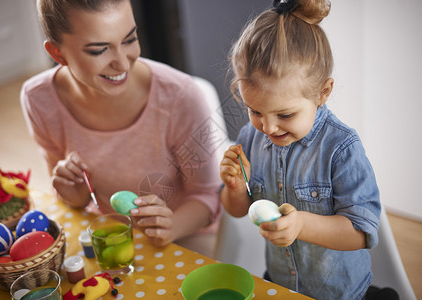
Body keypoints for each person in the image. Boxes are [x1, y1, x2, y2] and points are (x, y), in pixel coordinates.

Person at [219, 0, 397, 299]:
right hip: (281, 286)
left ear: (322, 93)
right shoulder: (250, 136)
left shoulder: (341, 149)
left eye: (285, 115)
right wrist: (235, 186)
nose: (269, 127)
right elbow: (236, 210)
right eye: (254, 111)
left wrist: (301, 224)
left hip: (340, 293)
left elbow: (361, 232)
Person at [21, 0, 222, 257]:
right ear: (57, 54)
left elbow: (207, 196)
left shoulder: (180, 97)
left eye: (129, 39)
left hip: (185, 236)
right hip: (111, 234)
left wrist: (171, 226)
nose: (123, 64)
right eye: (99, 51)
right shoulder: (39, 98)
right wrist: (74, 193)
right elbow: (69, 200)